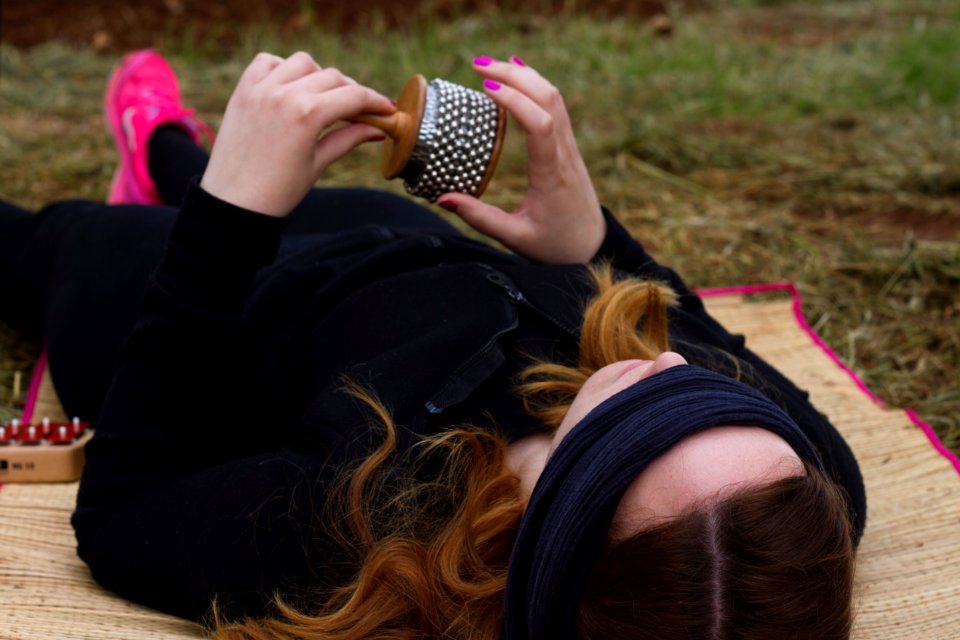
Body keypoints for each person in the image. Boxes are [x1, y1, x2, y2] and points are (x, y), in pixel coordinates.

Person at [0, 49, 866, 639]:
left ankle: (175, 166)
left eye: (644, 417)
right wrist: (589, 239)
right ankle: (168, 152)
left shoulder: (368, 516)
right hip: (396, 239)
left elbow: (122, 515)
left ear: (559, 529)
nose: (672, 363)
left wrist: (230, 219)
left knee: (52, 241)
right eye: (722, 400)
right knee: (230, 172)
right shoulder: (794, 502)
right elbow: (694, 331)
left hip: (214, 318)